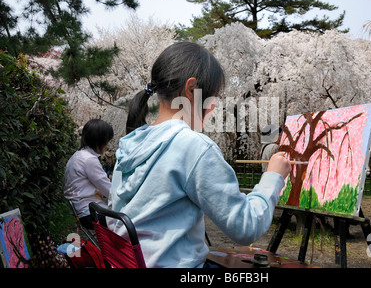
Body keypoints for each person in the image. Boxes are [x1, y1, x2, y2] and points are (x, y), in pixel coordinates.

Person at [108, 41, 291, 268]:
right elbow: (246, 227)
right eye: (212, 97)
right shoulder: (193, 147)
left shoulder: (129, 145)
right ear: (191, 89)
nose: (213, 107)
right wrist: (274, 177)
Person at [64, 119, 114, 229]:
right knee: (130, 219)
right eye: (107, 141)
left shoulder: (78, 155)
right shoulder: (89, 160)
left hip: (81, 211)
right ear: (99, 141)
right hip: (91, 214)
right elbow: (110, 190)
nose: (107, 144)